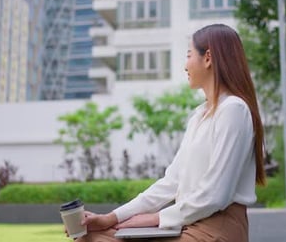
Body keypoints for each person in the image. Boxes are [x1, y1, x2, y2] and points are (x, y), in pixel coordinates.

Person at [74, 24, 266, 241]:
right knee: (90, 236)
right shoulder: (200, 116)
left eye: (189, 55)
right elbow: (171, 182)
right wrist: (111, 218)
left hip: (216, 230)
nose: (185, 66)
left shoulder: (233, 109)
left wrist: (155, 218)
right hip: (186, 224)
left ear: (208, 58)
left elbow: (215, 195)